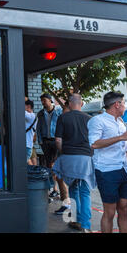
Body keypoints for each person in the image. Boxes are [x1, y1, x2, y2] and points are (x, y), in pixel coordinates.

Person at [88, 91, 127, 233]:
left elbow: (125, 150)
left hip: (126, 170)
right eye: (123, 103)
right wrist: (120, 137)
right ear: (117, 105)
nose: (124, 106)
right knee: (110, 212)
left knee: (124, 209)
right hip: (107, 172)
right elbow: (94, 144)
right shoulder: (97, 120)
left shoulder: (120, 123)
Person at [53, 94, 95, 232]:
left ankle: (76, 221)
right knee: (85, 191)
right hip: (85, 159)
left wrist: (64, 152)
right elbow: (94, 142)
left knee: (73, 189)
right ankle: (86, 225)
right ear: (81, 104)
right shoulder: (89, 119)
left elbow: (58, 140)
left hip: (69, 158)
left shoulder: (63, 118)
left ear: (69, 104)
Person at [36, 93, 67, 201]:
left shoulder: (59, 112)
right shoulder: (40, 113)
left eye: (44, 100)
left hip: (56, 141)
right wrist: (40, 141)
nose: (43, 102)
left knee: (55, 165)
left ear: (50, 100)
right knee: (48, 165)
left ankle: (58, 190)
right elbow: (38, 128)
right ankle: (53, 189)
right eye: (42, 101)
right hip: (45, 142)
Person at [25, 99, 37, 165]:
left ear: (28, 106)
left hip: (27, 146)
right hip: (27, 145)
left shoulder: (32, 116)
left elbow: (19, 109)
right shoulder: (28, 117)